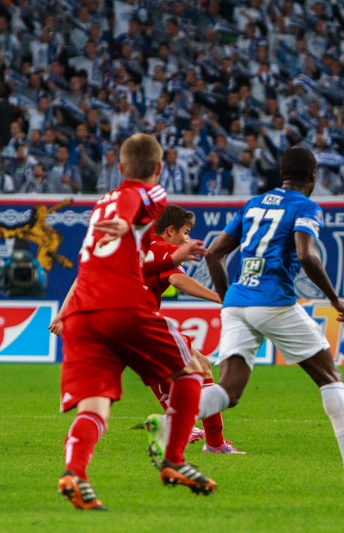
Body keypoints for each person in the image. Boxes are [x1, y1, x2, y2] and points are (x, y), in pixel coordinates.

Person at [189, 147, 344, 489]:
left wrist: (228, 300)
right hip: (274, 300)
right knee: (330, 377)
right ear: (313, 176)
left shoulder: (254, 204)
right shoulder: (305, 206)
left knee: (229, 390)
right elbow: (306, 255)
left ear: (282, 174)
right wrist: (335, 300)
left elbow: (213, 254)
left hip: (238, 301)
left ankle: (168, 422)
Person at [49, 134, 216, 511]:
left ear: (120, 167)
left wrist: (171, 258)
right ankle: (174, 460)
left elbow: (110, 260)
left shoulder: (99, 207)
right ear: (157, 168)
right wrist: (128, 223)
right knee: (192, 371)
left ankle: (75, 473)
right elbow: (134, 202)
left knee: (94, 407)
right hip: (123, 306)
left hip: (83, 314)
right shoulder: (149, 195)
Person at [143, 205, 244, 455]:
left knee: (175, 367)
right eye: (186, 232)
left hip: (115, 320)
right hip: (141, 320)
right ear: (170, 231)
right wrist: (221, 297)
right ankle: (214, 443)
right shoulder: (164, 249)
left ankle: (183, 425)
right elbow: (178, 280)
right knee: (201, 366)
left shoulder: (139, 246)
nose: (187, 239)